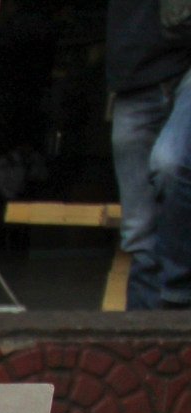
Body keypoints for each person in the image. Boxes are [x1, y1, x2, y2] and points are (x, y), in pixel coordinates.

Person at [107, 0, 191, 309]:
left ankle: (178, 296)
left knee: (170, 163)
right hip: (134, 72)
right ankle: (142, 327)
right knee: (138, 229)